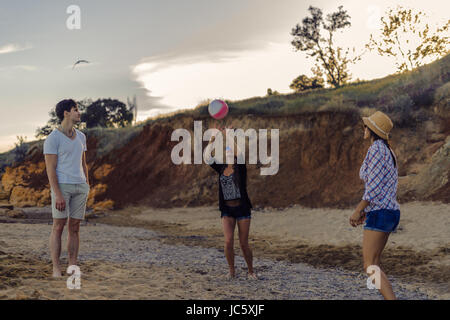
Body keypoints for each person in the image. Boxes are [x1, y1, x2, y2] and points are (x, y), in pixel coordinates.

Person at [349, 111, 400, 300]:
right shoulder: (387, 150)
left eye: (366, 126)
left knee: (369, 265)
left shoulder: (377, 149)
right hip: (387, 211)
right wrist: (367, 209)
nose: (364, 128)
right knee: (375, 262)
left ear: (372, 130)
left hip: (381, 212)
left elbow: (374, 187)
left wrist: (359, 209)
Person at [43, 99, 90, 277]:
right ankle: (56, 268)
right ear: (66, 113)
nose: (79, 112)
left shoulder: (81, 136)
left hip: (80, 186)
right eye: (75, 109)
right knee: (58, 226)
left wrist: (87, 183)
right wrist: (58, 194)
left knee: (75, 227)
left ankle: (72, 266)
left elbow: (83, 163)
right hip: (62, 186)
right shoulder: (52, 139)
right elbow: (50, 169)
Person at [205, 125, 257, 280]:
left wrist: (228, 136)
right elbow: (207, 157)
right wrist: (213, 139)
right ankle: (232, 272)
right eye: (226, 154)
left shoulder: (241, 167)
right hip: (227, 210)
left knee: (243, 243)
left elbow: (238, 152)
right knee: (228, 242)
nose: (229, 156)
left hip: (242, 209)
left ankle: (250, 271)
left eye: (231, 154)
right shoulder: (220, 168)